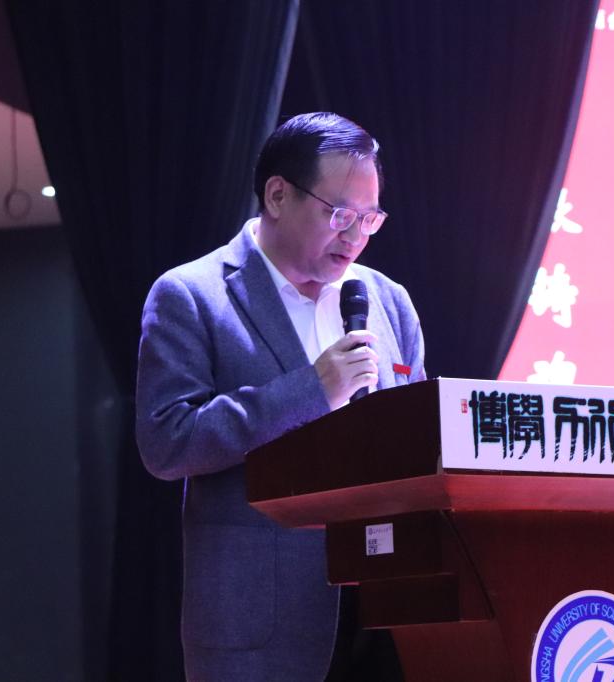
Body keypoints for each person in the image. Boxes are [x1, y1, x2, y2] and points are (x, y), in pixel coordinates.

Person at [136, 112, 425, 681]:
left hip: (389, 612)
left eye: (369, 218)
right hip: (263, 626)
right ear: (277, 195)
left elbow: (418, 441)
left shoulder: (388, 300)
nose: (356, 237)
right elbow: (166, 442)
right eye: (340, 215)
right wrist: (312, 390)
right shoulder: (192, 295)